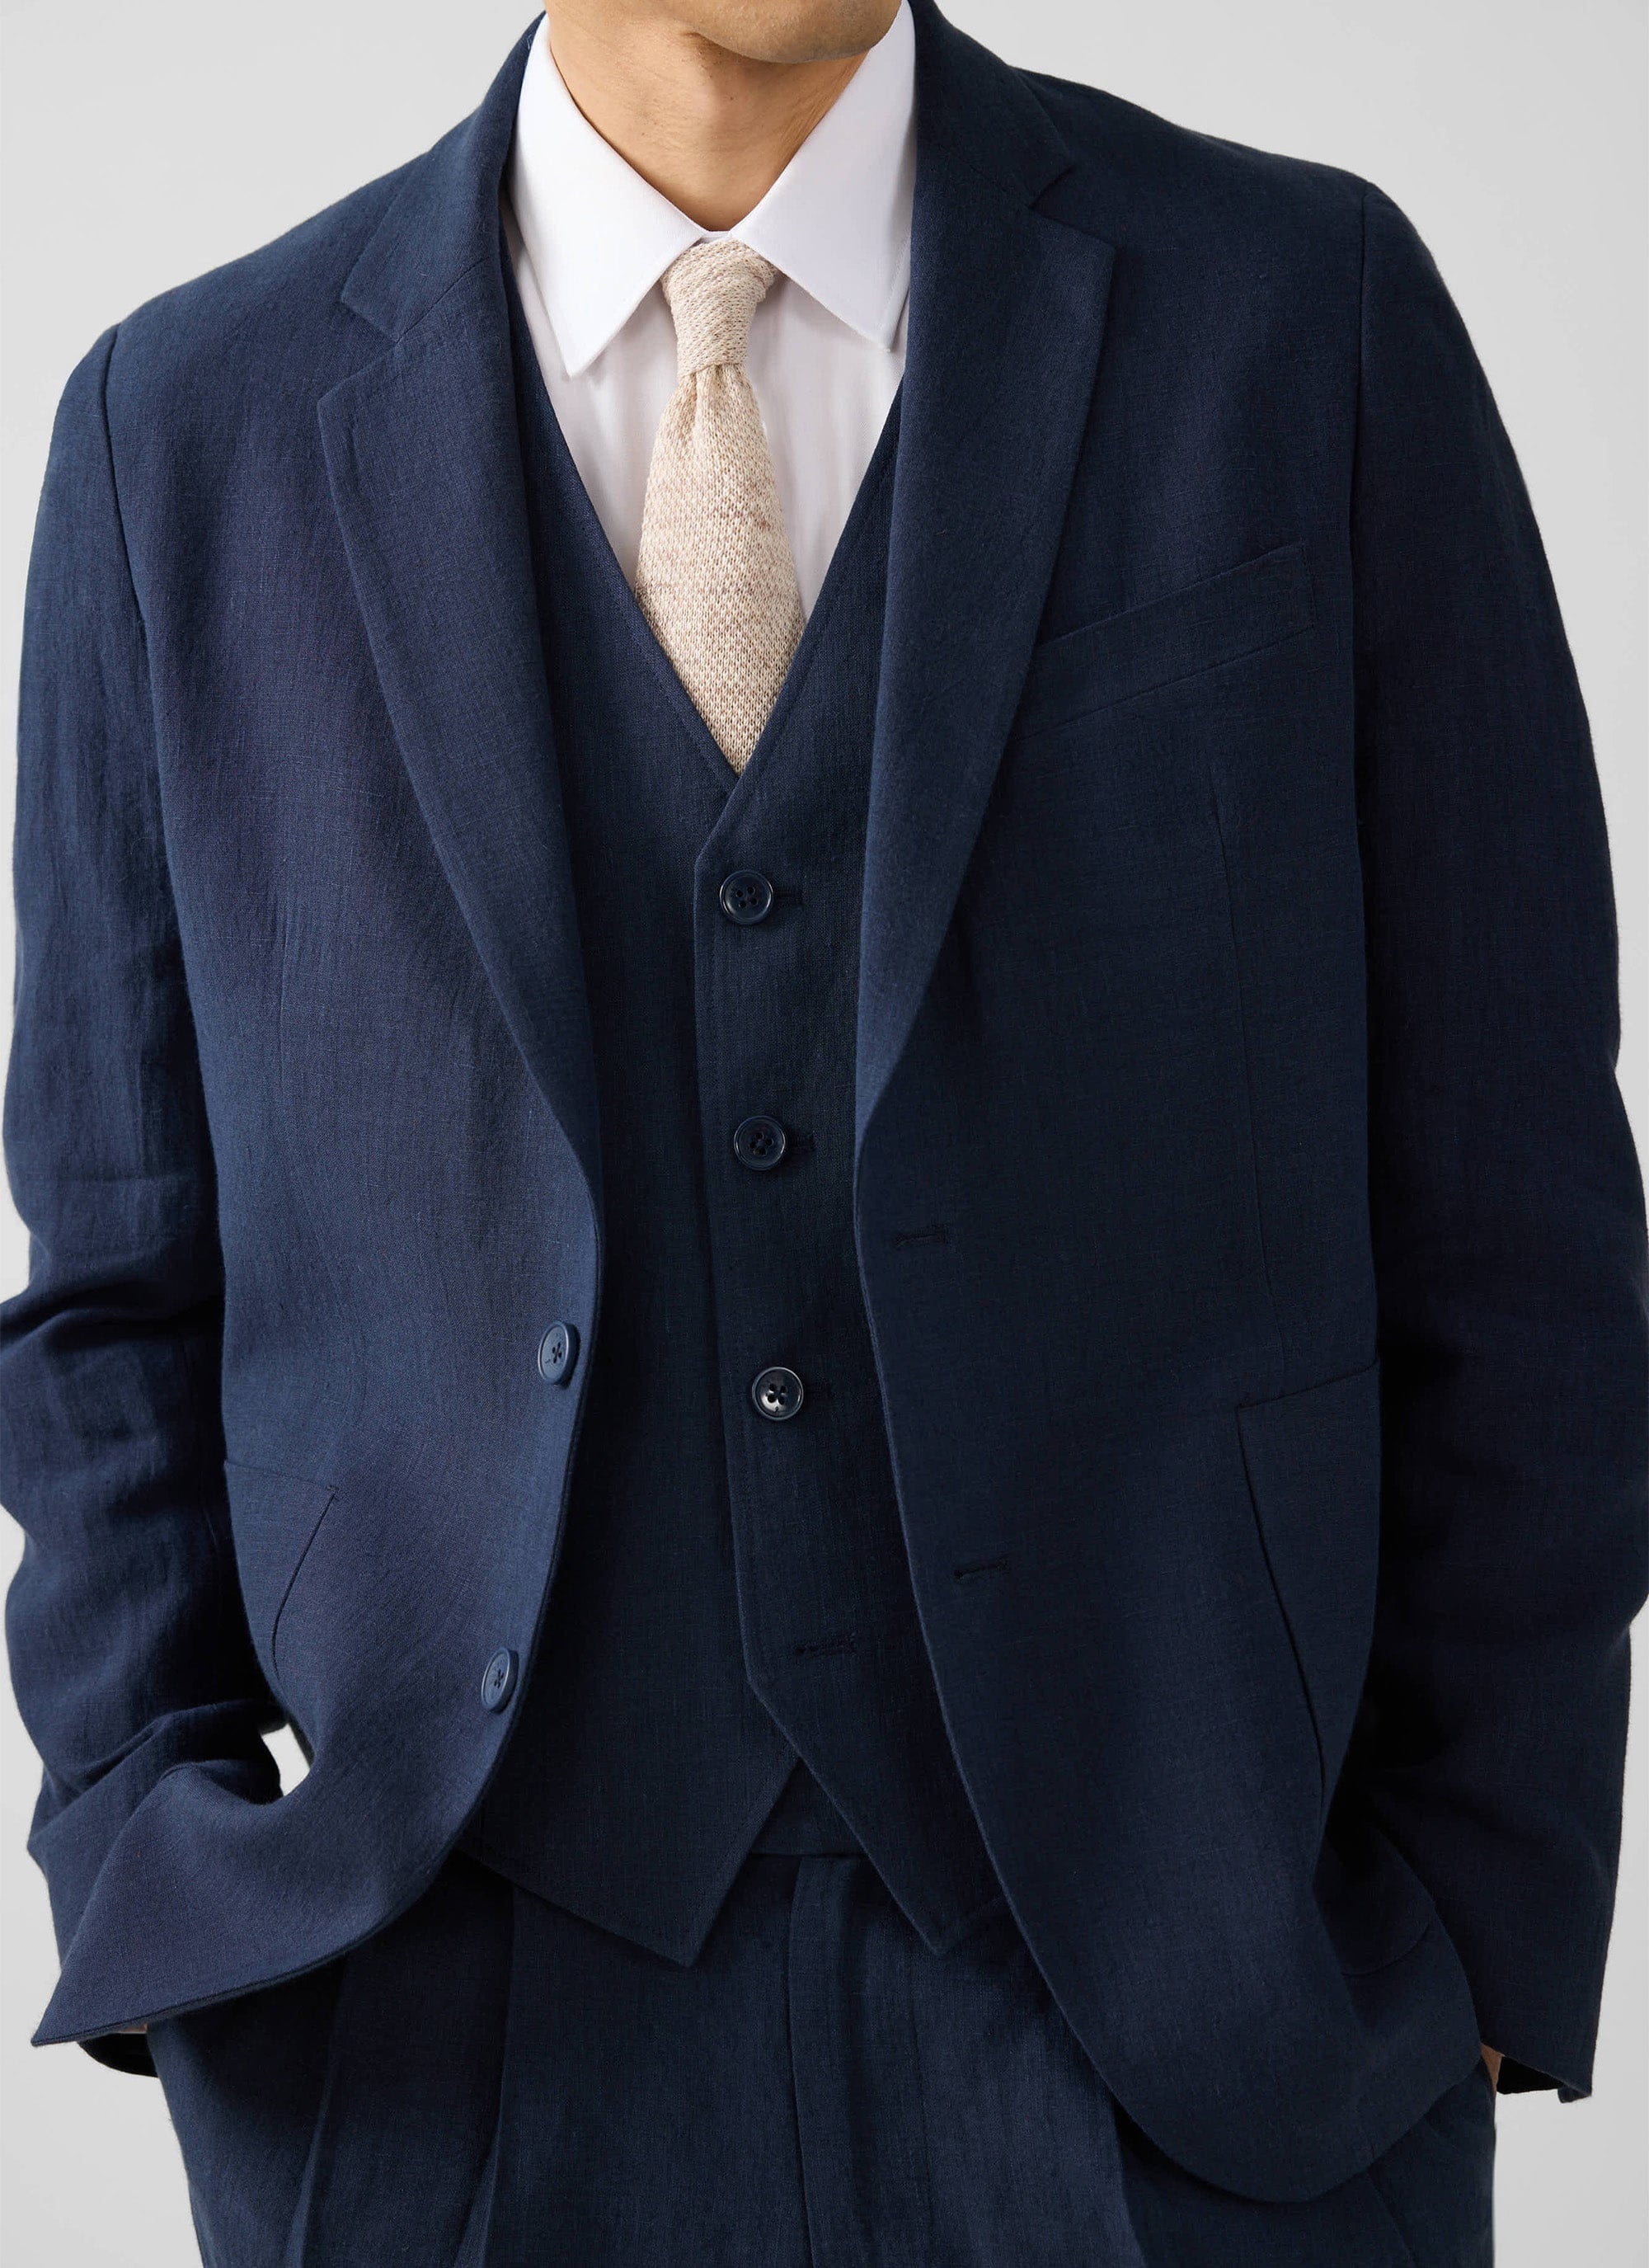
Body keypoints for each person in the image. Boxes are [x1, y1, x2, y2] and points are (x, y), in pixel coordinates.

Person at [4, 0, 1643, 2260]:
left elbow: (1516, 1202)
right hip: (448, 2083)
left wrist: (1476, 1926)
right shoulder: (184, 434)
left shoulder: (1302, 323)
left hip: (1199, 2074)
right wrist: (152, 1855)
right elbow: (114, 1282)